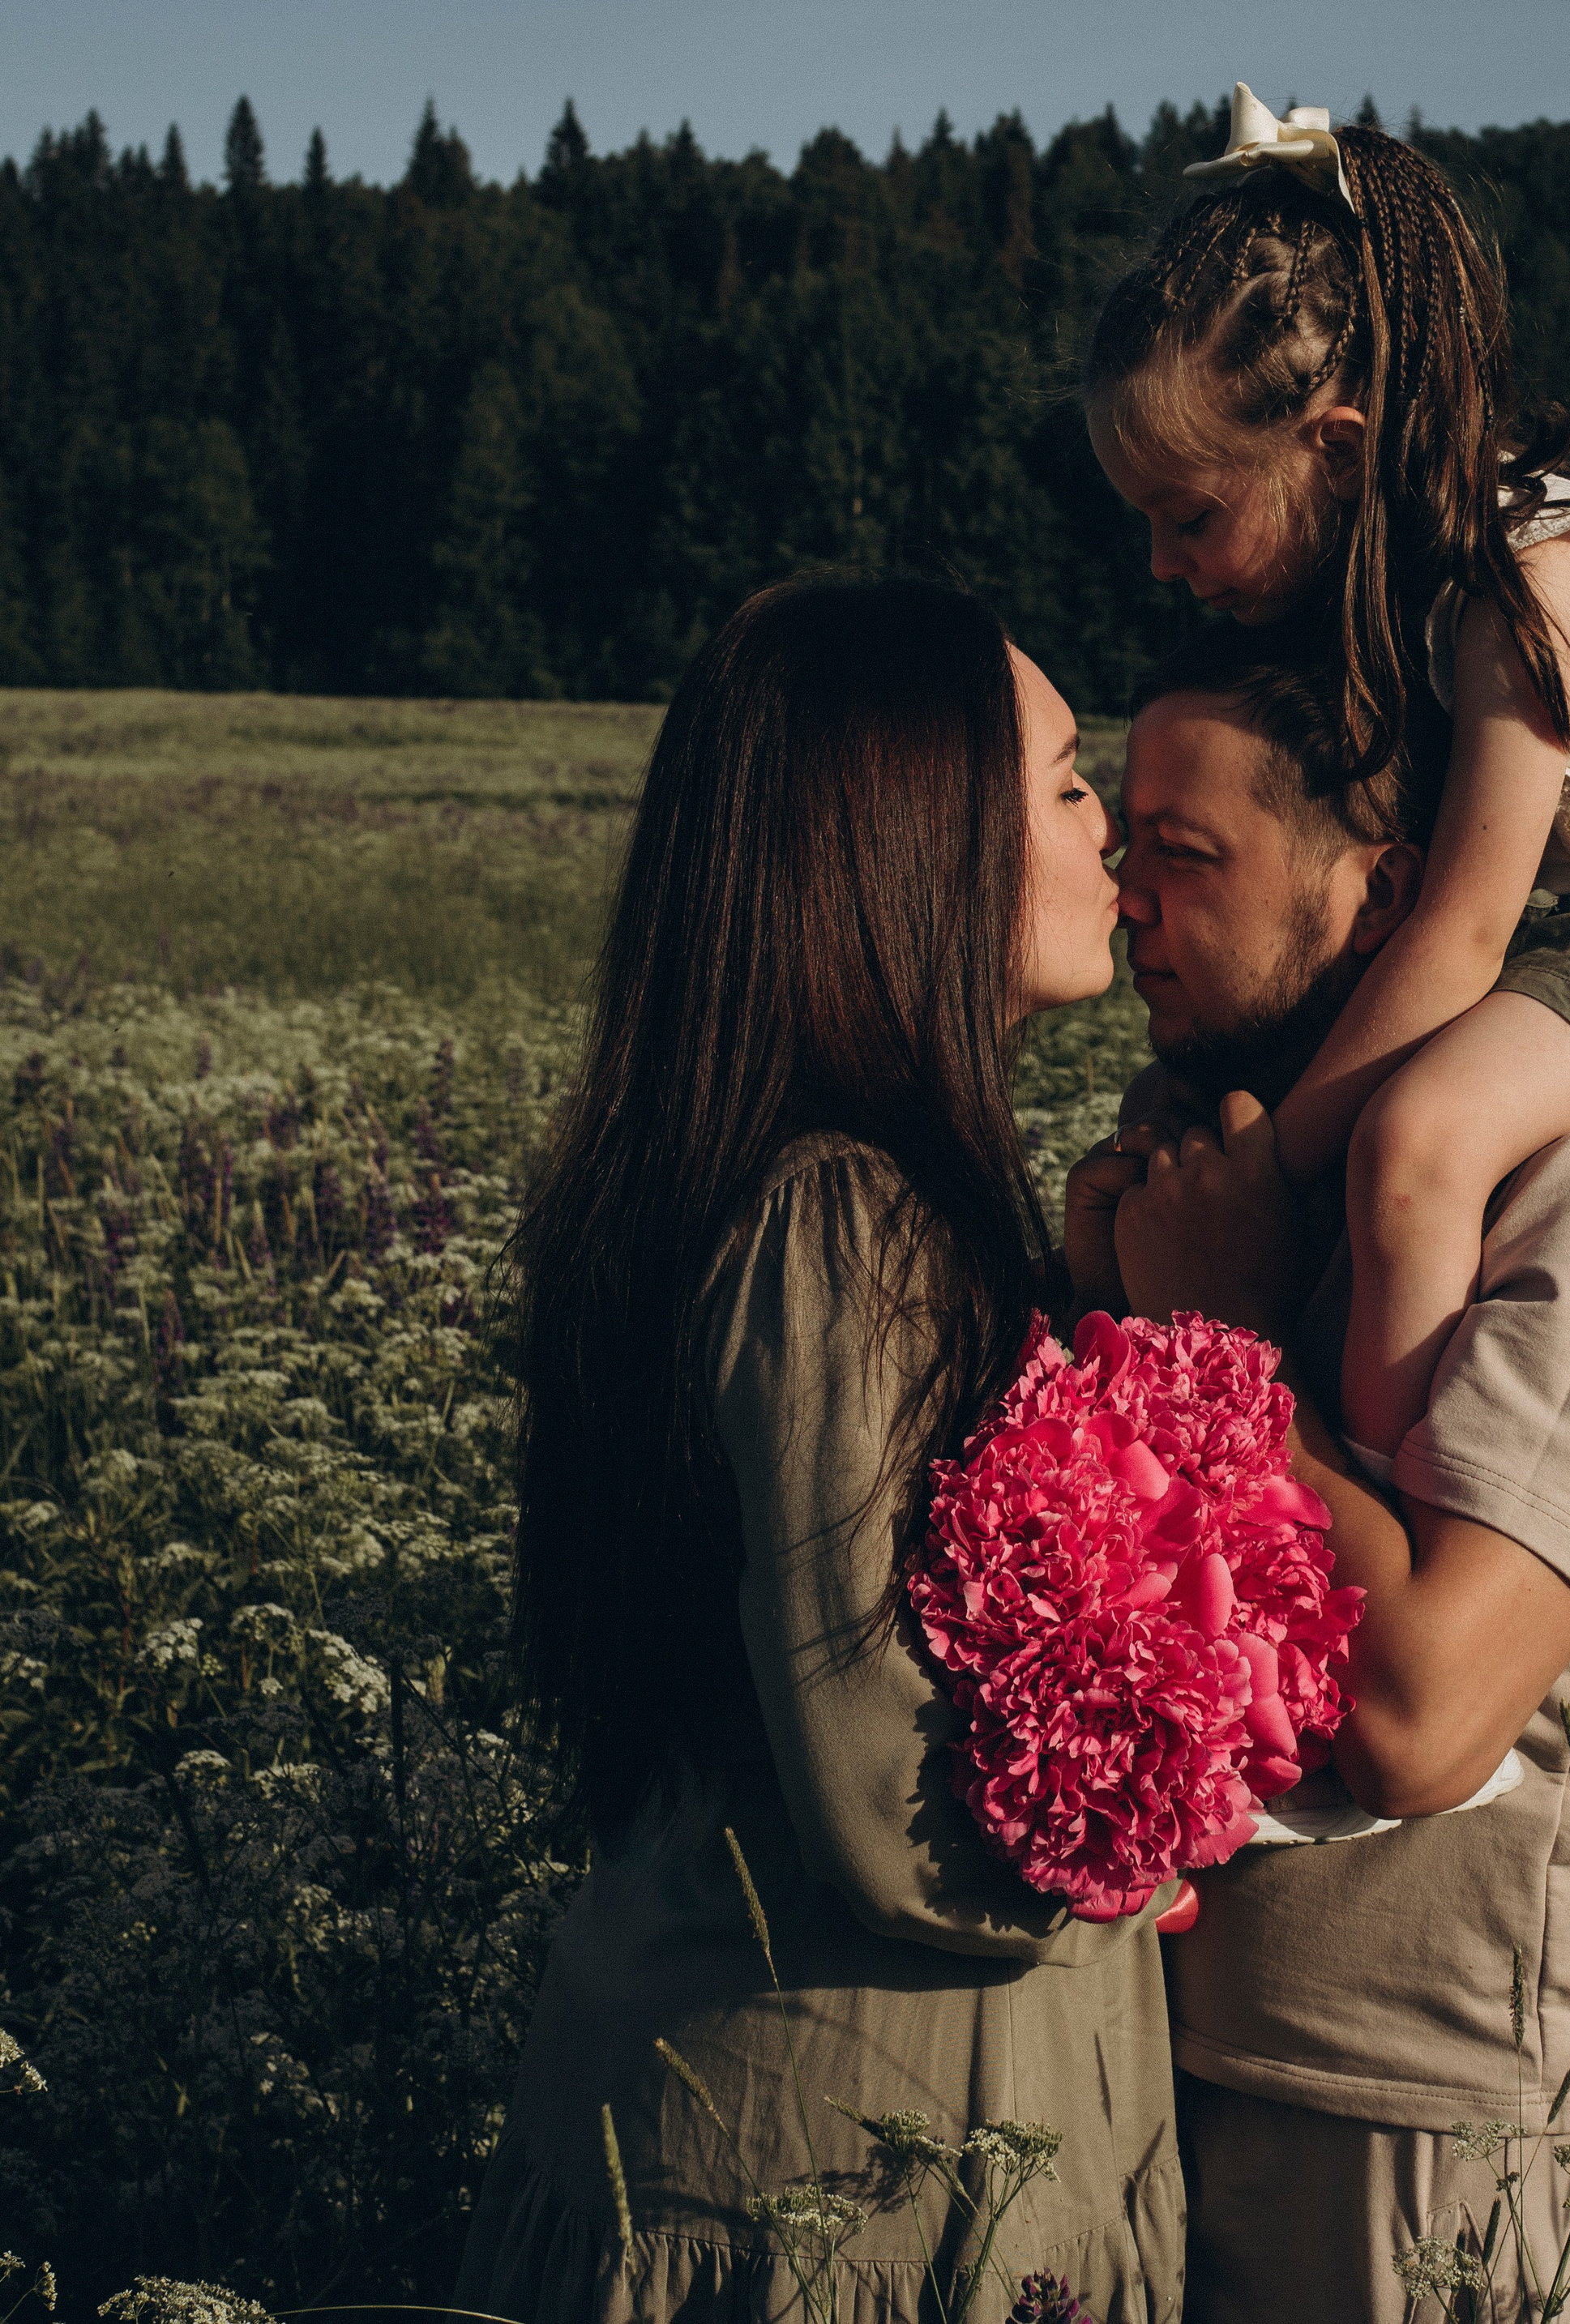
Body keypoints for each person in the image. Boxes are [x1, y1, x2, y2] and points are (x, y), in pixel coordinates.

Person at [458, 578, 1184, 2323]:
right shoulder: (841, 1226)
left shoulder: (810, 1193)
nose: (1115, 838)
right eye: (1070, 781)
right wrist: (1175, 1810)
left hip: (804, 2140)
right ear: (913, 837)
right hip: (838, 2200)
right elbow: (899, 1809)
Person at [1067, 622, 1570, 2324]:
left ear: (1382, 891)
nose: (1126, 906)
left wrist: (1222, 1341)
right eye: (1123, 852)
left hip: (1469, 2130)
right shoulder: (1234, 1173)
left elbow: (1417, 1719)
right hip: (1195, 2075)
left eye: (1185, 859)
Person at [1082, 83, 1570, 1475]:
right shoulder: (1396, 571)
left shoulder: (1526, 593)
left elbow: (1462, 931)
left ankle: (1394, 1489)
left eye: (1190, 516)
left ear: (1342, 450)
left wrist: (1275, 1167)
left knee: (1415, 1146)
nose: (1161, 567)